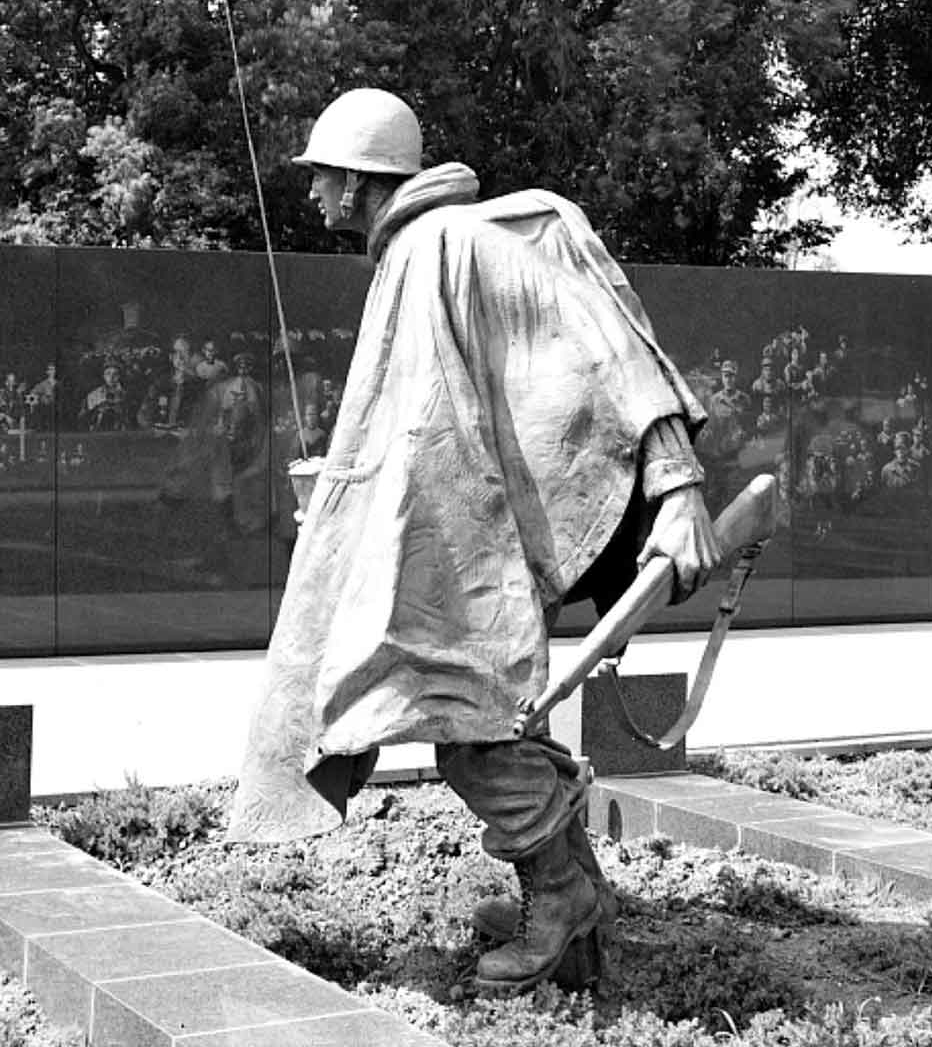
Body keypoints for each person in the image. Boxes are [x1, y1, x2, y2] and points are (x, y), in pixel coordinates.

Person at [227, 88, 721, 993]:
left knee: (465, 723)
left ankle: (561, 896)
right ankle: (575, 901)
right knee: (472, 715)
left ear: (358, 176)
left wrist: (676, 480)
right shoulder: (412, 256)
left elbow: (604, 338)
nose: (312, 197)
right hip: (452, 541)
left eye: (321, 176)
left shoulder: (448, 240)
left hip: (469, 552)